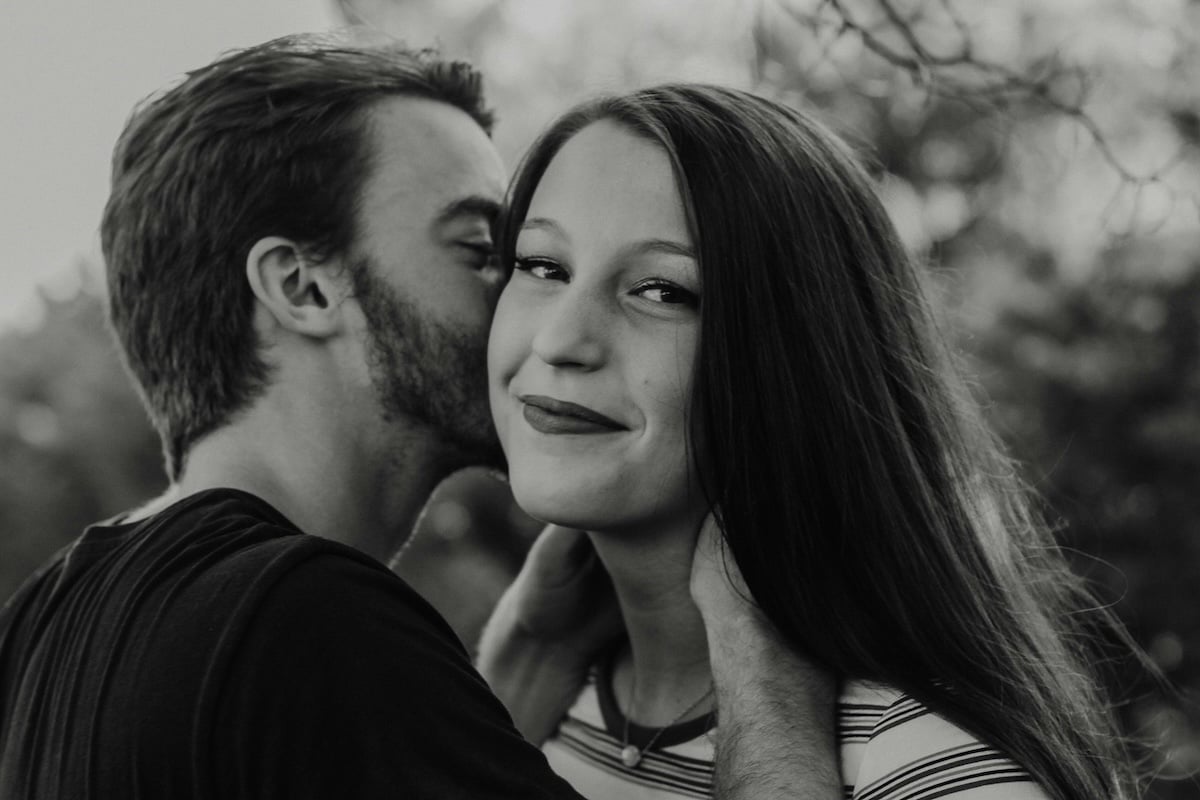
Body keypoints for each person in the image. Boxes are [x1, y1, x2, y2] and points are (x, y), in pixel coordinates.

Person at [0, 35, 841, 799]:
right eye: (483, 252)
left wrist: (529, 655)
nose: (535, 314)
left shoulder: (39, 623)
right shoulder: (308, 622)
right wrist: (766, 673)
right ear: (304, 287)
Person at [486, 84, 1144, 800]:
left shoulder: (935, 766)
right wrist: (521, 660)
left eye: (663, 291)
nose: (560, 340)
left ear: (800, 359)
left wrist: (762, 682)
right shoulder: (543, 701)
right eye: (543, 266)